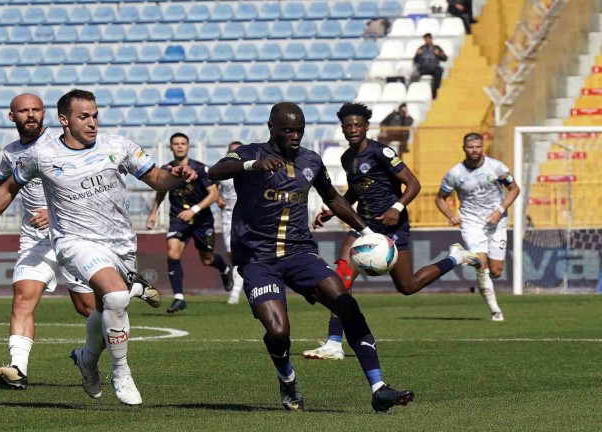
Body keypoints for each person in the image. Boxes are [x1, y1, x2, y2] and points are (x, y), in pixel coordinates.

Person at [0, 89, 197, 406]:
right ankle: (120, 372)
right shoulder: (41, 155)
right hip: (73, 241)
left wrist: (175, 176)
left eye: (96, 115)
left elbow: (157, 180)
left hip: (118, 242)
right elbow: (7, 188)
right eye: (85, 116)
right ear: (65, 120)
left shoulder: (118, 146)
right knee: (114, 295)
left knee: (102, 306)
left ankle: (86, 359)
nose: (93, 122)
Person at [208, 102, 414, 413]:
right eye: (288, 130)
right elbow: (215, 171)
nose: (294, 136)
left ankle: (379, 388)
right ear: (271, 128)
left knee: (346, 304)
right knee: (278, 332)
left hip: (300, 253)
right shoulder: (251, 153)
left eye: (299, 131)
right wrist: (253, 166)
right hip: (258, 259)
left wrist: (366, 231)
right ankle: (287, 378)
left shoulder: (311, 161)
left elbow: (332, 197)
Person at [303, 102, 481, 361]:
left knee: (408, 286)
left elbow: (413, 183)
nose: (352, 129)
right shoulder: (347, 158)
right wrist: (334, 209)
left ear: (366, 127)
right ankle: (333, 343)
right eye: (347, 126)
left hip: (392, 225)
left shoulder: (381, 152)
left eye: (357, 125)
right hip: (363, 225)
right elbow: (355, 191)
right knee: (342, 277)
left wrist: (397, 207)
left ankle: (455, 257)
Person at [435, 132, 520, 321]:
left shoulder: (496, 167)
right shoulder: (455, 173)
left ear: (483, 147)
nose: (474, 150)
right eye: (470, 147)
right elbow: (440, 198)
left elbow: (514, 189)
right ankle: (495, 310)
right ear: (464, 148)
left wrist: (500, 209)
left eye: (478, 147)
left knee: (496, 272)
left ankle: (465, 256)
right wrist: (450, 215)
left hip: (496, 222)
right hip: (471, 224)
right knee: (482, 266)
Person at [145, 133, 234, 314]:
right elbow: (161, 190)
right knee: (172, 252)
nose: (179, 146)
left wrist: (193, 210)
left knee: (207, 259)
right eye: (176, 144)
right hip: (178, 219)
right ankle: (179, 298)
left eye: (182, 143)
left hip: (202, 221)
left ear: (188, 146)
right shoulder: (167, 169)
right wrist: (153, 212)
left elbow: (213, 195)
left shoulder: (200, 169)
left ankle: (224, 268)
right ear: (170, 147)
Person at [216, 141, 245, 305]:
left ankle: (235, 292)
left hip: (246, 215)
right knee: (231, 253)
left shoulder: (250, 168)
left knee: (240, 254)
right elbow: (213, 187)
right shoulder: (222, 169)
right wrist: (217, 198)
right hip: (228, 216)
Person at [413, 33, 448, 99]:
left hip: (434, 67)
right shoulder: (421, 48)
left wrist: (438, 54)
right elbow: (415, 60)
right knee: (415, 74)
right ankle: (415, 93)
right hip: (423, 68)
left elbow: (445, 58)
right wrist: (418, 54)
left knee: (439, 70)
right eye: (425, 39)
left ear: (430, 39)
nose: (426, 40)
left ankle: (435, 93)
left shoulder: (437, 47)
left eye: (427, 39)